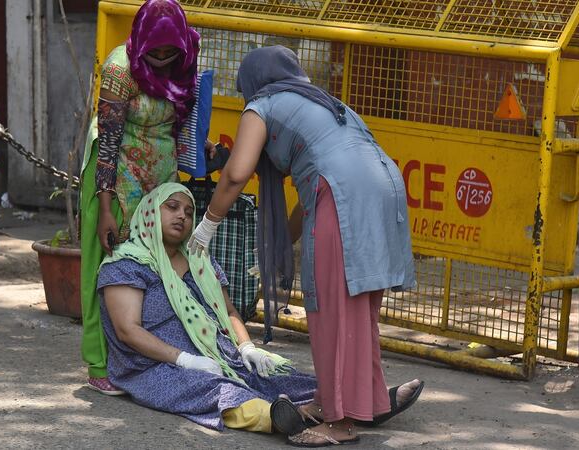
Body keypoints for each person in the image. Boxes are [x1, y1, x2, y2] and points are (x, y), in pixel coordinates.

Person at [188, 46, 424, 446]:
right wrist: (282, 247)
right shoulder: (324, 103)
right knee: (359, 303)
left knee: (331, 308)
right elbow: (311, 199)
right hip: (384, 187)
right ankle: (362, 400)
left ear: (252, 84)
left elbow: (235, 174)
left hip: (342, 193)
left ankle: (339, 420)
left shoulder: (262, 105)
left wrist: (206, 226)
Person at [97, 183, 317, 433]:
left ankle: (341, 403)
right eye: (172, 207)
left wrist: (248, 348)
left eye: (189, 212)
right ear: (149, 212)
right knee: (212, 387)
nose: (182, 215)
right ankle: (273, 416)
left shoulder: (199, 258)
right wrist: (185, 359)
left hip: (217, 354)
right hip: (154, 366)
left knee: (276, 376)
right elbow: (128, 330)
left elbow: (230, 312)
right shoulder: (127, 263)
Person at [79, 0, 211, 395]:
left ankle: (145, 355)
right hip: (114, 176)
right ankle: (99, 362)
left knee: (154, 268)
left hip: (160, 177)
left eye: (169, 53)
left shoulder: (186, 58)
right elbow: (109, 143)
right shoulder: (122, 69)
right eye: (155, 53)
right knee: (105, 265)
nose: (162, 59)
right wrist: (106, 208)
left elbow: (184, 119)